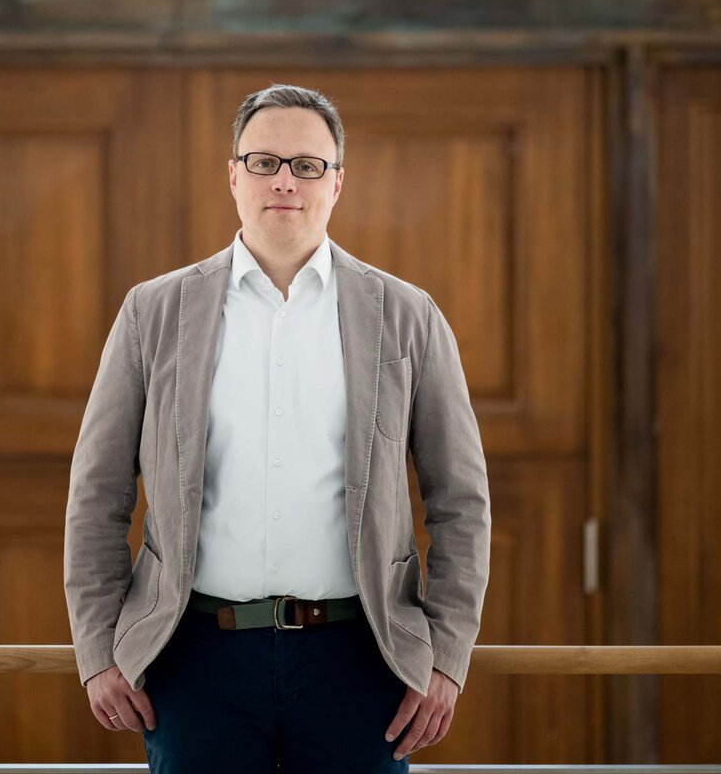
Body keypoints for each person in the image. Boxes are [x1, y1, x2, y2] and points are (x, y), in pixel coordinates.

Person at [64, 83, 491, 773]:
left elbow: (461, 501)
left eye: (307, 165)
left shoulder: (408, 316)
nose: (284, 181)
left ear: (337, 182)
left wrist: (446, 657)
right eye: (263, 162)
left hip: (365, 660)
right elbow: (97, 493)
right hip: (193, 659)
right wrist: (97, 649)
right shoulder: (153, 313)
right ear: (234, 176)